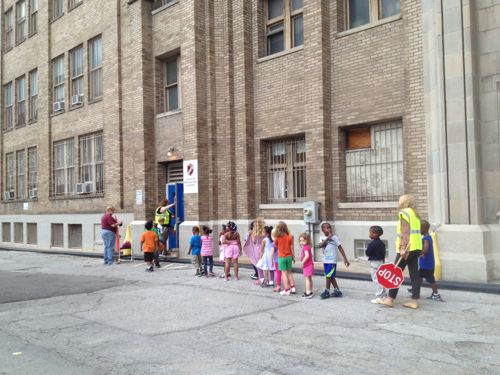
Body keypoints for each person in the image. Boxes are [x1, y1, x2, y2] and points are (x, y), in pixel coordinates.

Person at [377, 194, 422, 309]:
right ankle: (414, 301)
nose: (399, 202)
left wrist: (402, 248)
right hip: (416, 247)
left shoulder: (405, 213)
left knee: (394, 273)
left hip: (406, 249)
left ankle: (390, 299)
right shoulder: (416, 215)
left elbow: (405, 232)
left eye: (400, 201)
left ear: (403, 202)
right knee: (415, 275)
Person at [318, 222, 350, 299]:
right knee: (331, 276)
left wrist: (345, 259)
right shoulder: (321, 238)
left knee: (328, 275)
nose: (329, 229)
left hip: (332, 261)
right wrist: (327, 239)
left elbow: (340, 247)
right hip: (325, 260)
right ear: (322, 230)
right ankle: (337, 291)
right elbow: (320, 245)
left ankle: (327, 291)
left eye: (330, 227)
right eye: (326, 228)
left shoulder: (335, 237)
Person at [419, 220, 442, 301]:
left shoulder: (426, 238)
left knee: (431, 280)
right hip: (425, 264)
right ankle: (415, 289)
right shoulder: (427, 237)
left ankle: (436, 294)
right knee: (419, 277)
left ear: (424, 229)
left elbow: (425, 250)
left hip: (427, 265)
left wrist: (418, 253)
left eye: (419, 228)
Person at [274, 221, 296, 296]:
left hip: (281, 257)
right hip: (289, 256)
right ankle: (293, 287)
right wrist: (293, 257)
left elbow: (275, 245)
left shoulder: (277, 238)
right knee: (289, 272)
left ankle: (286, 289)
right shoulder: (289, 237)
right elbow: (291, 247)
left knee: (284, 273)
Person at [366, 225, 386, 303]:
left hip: (374, 263)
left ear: (375, 234)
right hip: (381, 262)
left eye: (370, 232)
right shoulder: (382, 243)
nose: (369, 234)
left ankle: (380, 297)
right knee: (381, 279)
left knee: (377, 280)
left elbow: (368, 253)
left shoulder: (372, 244)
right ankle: (384, 295)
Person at [299, 233, 314, 299]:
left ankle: (308, 293)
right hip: (309, 265)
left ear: (307, 240)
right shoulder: (307, 247)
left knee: (307, 279)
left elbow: (307, 256)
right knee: (309, 279)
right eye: (300, 241)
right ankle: (310, 291)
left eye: (303, 241)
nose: (301, 242)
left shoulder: (305, 248)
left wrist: (302, 262)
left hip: (307, 265)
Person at [270, 228, 281, 292]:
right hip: (284, 258)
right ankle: (289, 285)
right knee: (285, 273)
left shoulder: (273, 244)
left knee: (278, 273)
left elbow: (271, 253)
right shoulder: (281, 242)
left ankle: (278, 286)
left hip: (277, 260)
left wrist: (271, 261)